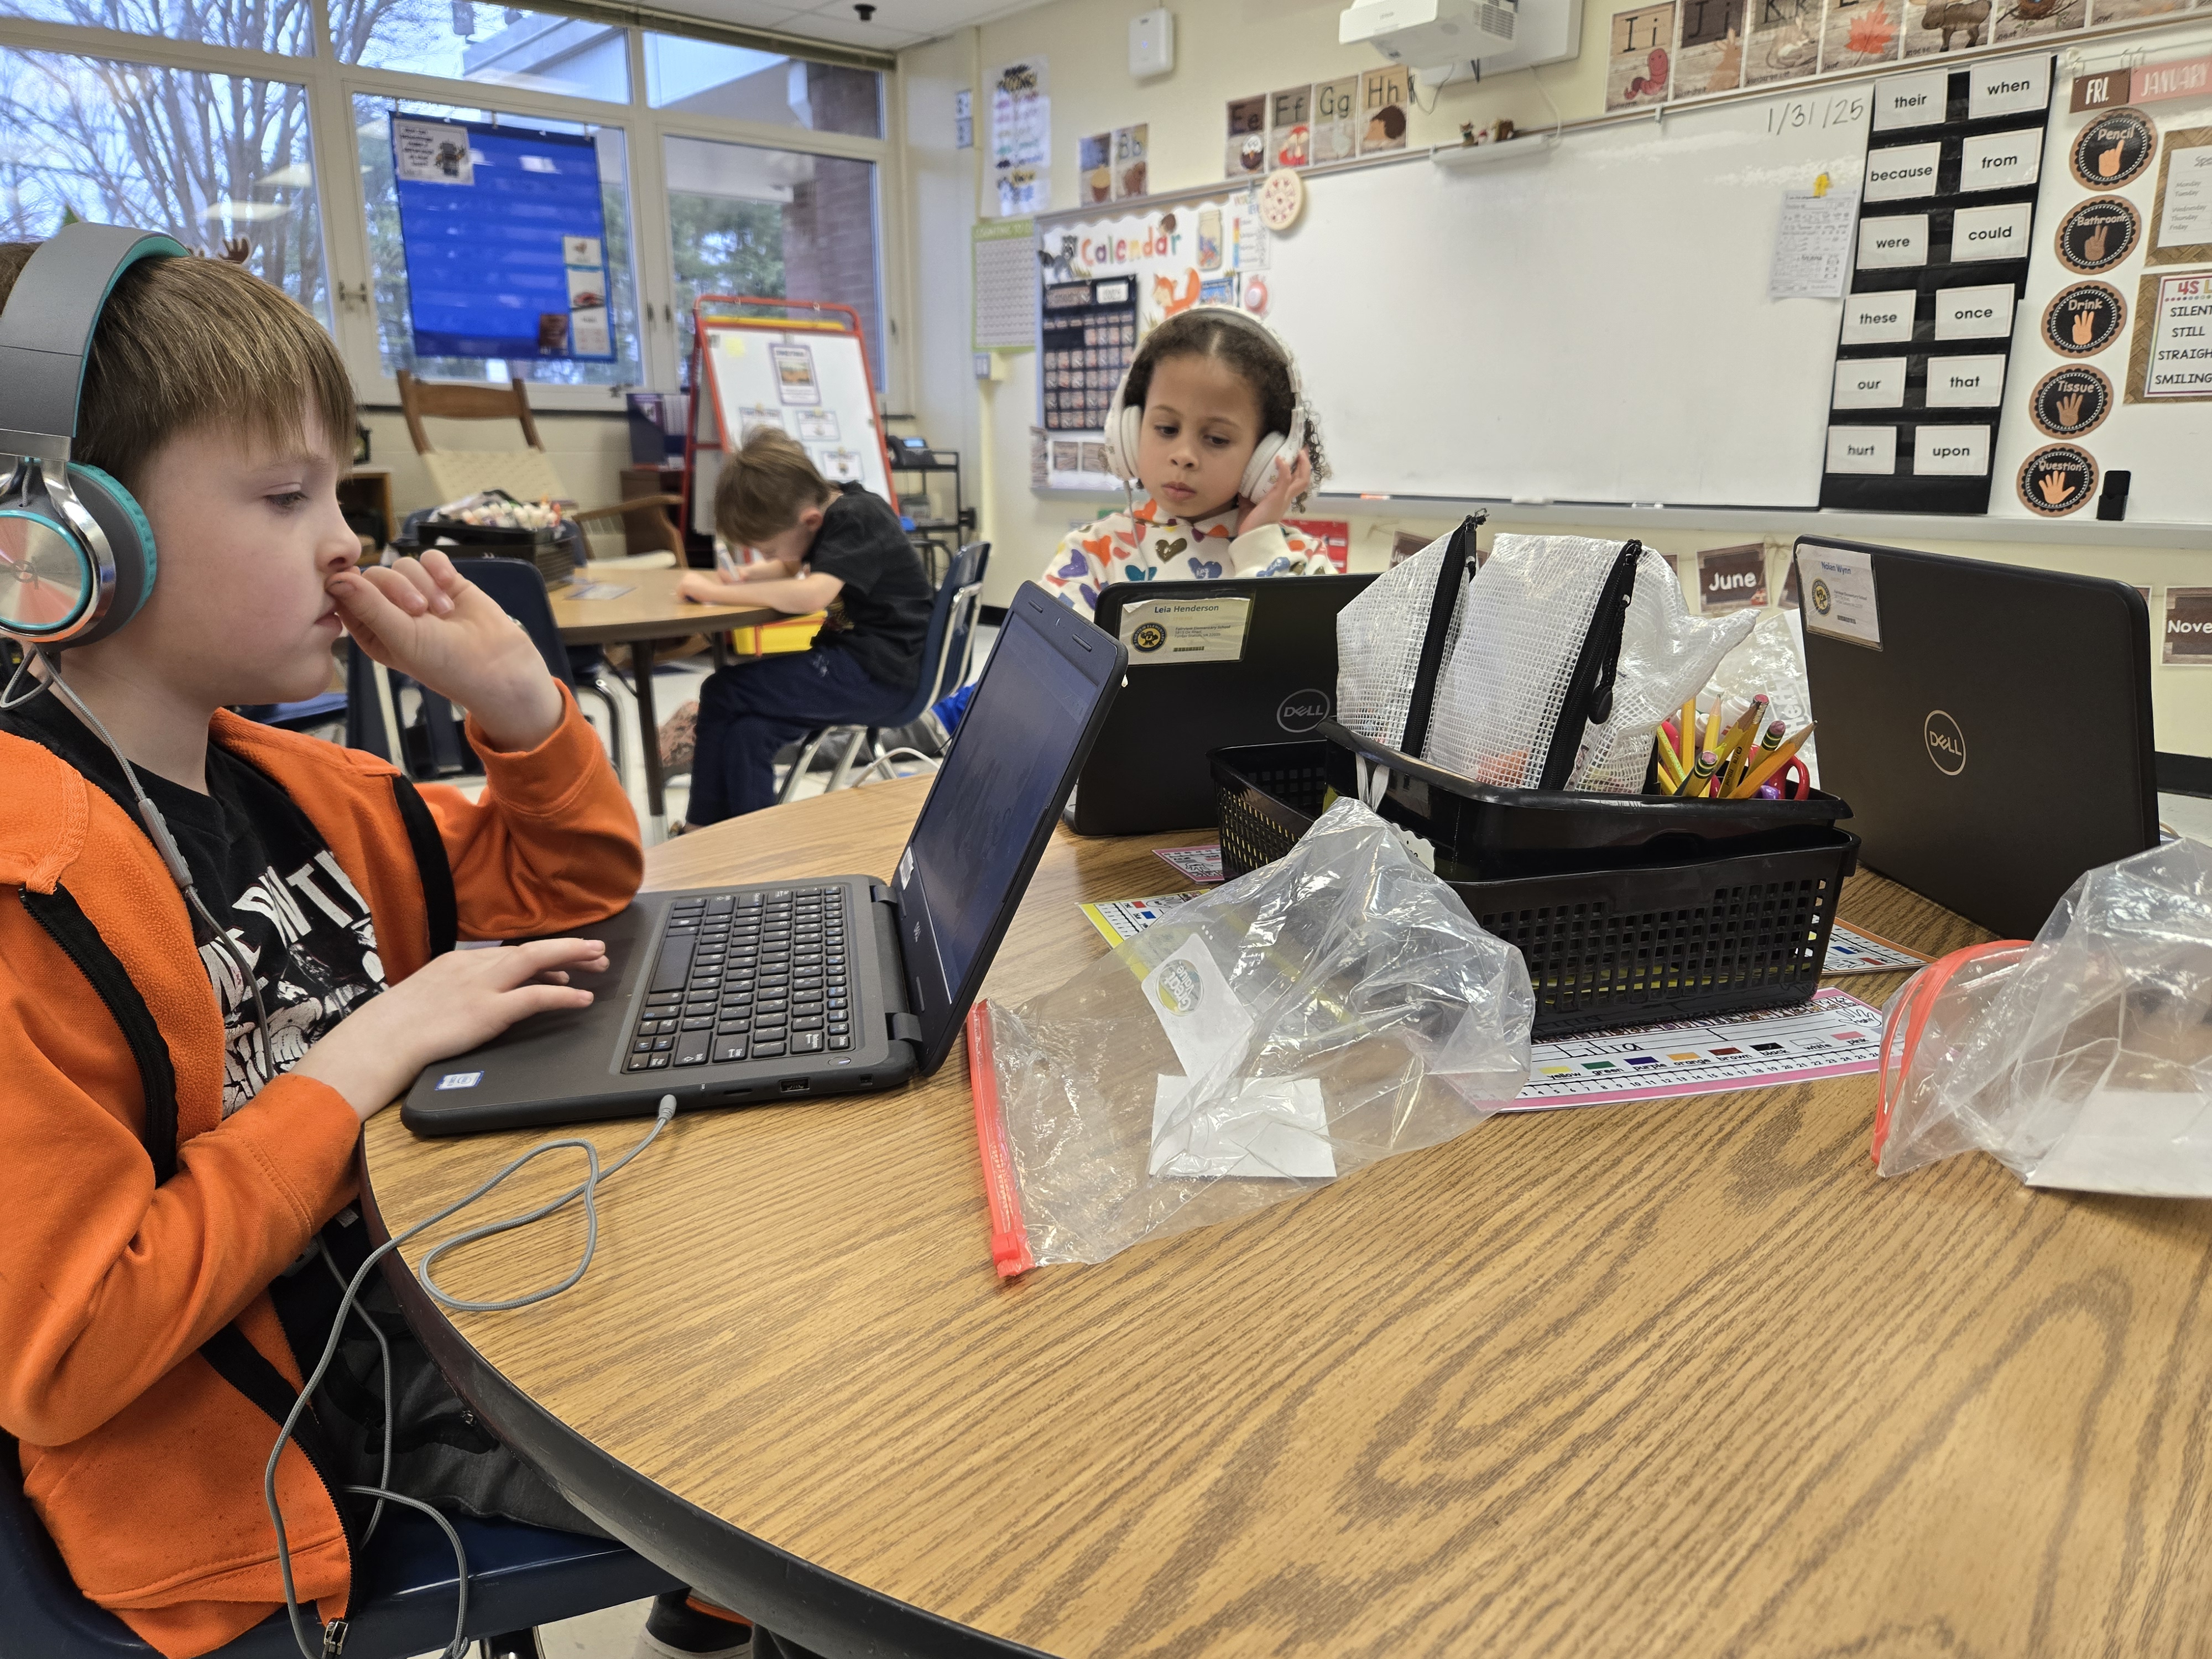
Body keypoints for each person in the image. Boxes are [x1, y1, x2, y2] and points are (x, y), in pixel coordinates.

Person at [0, 239, 766, 1659]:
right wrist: (356, 1062)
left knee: (796, 1307)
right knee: (804, 1452)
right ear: (63, 544)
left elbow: (571, 886)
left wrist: (522, 705)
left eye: (339, 491)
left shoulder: (300, 792)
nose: (346, 540)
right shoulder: (27, 892)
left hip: (439, 1285)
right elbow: (69, 1351)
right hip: (294, 1417)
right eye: (287, 498)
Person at [668, 429, 933, 827]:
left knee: (721, 690)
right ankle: (748, 840)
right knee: (749, 732)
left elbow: (813, 593)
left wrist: (713, 592)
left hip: (882, 675)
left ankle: (700, 828)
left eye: (768, 549)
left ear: (810, 520)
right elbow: (796, 559)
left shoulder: (855, 519)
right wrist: (749, 576)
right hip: (871, 667)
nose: (769, 557)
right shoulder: (836, 507)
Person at [1039, 306, 1335, 621]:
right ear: (1128, 430)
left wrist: (1258, 545)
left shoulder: (1304, 563)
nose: (1184, 456)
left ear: (1267, 453)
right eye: (1167, 429)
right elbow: (1046, 662)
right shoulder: (1092, 553)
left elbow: (1299, 664)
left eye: (1217, 439)